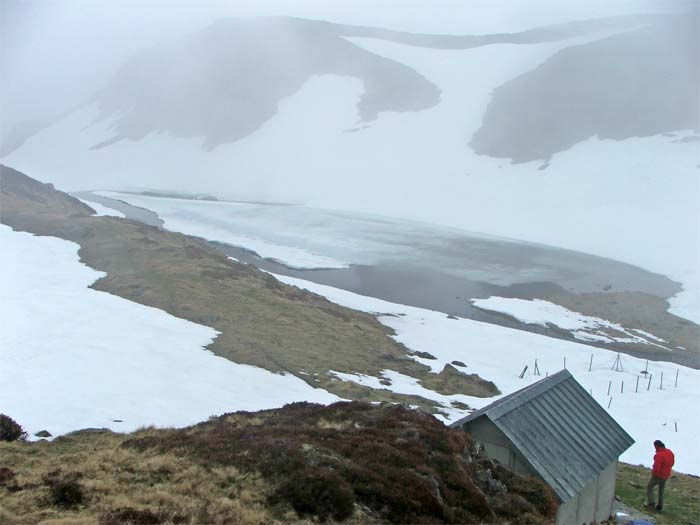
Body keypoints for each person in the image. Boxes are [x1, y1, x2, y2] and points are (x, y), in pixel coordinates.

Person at [645, 440, 675, 512]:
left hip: (658, 475)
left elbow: (656, 467)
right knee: (661, 490)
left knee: (649, 487)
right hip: (666, 475)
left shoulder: (659, 455)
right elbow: (672, 462)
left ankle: (651, 504)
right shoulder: (670, 452)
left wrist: (654, 474)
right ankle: (660, 506)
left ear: (657, 446)